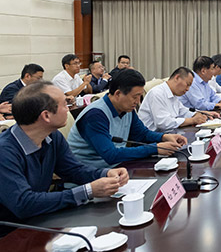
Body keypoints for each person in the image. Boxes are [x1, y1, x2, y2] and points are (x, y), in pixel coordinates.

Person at [0, 81, 129, 234]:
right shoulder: (5, 151)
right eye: (64, 105)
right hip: (11, 232)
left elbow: (73, 170)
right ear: (46, 116)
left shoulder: (52, 136)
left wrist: (105, 174)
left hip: (42, 218)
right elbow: (23, 204)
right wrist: (88, 191)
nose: (68, 109)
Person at [68, 69, 186, 169]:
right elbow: (111, 155)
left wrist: (164, 137)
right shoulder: (95, 115)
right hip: (90, 177)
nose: (138, 101)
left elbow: (141, 134)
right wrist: (155, 148)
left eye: (140, 96)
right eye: (135, 97)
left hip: (116, 169)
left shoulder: (126, 108)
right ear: (118, 94)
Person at [139, 67, 208, 132]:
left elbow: (182, 111)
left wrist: (196, 115)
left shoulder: (173, 94)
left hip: (168, 133)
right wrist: (192, 120)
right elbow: (163, 123)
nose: (188, 89)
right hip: (151, 137)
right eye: (187, 84)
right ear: (177, 78)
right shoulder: (157, 93)